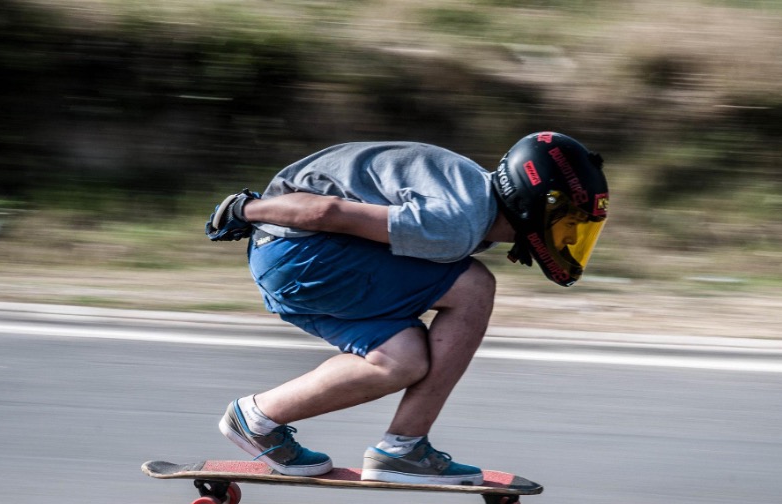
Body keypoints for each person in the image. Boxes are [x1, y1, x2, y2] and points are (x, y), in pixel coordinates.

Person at [205, 132, 609, 485]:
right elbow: (329, 212)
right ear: (534, 202)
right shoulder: (457, 222)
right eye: (567, 220)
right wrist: (244, 210)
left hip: (290, 258)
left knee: (401, 361)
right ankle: (405, 447)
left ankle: (257, 419)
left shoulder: (470, 201)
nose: (571, 234)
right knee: (473, 287)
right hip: (298, 251)